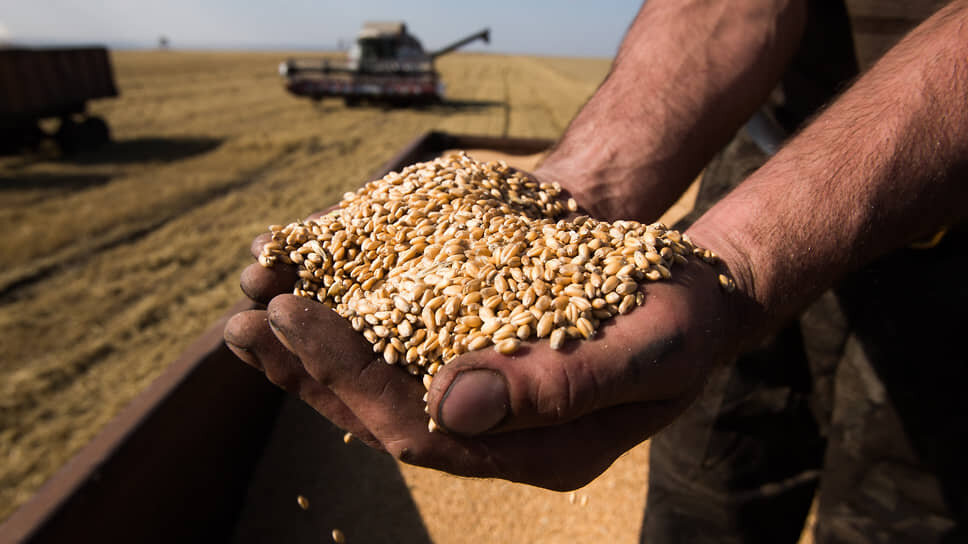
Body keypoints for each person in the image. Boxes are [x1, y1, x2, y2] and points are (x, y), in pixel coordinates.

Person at [224, 1, 968, 541]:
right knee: (707, 479)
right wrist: (575, 186)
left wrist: (743, 258)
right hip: (778, 146)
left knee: (906, 504)